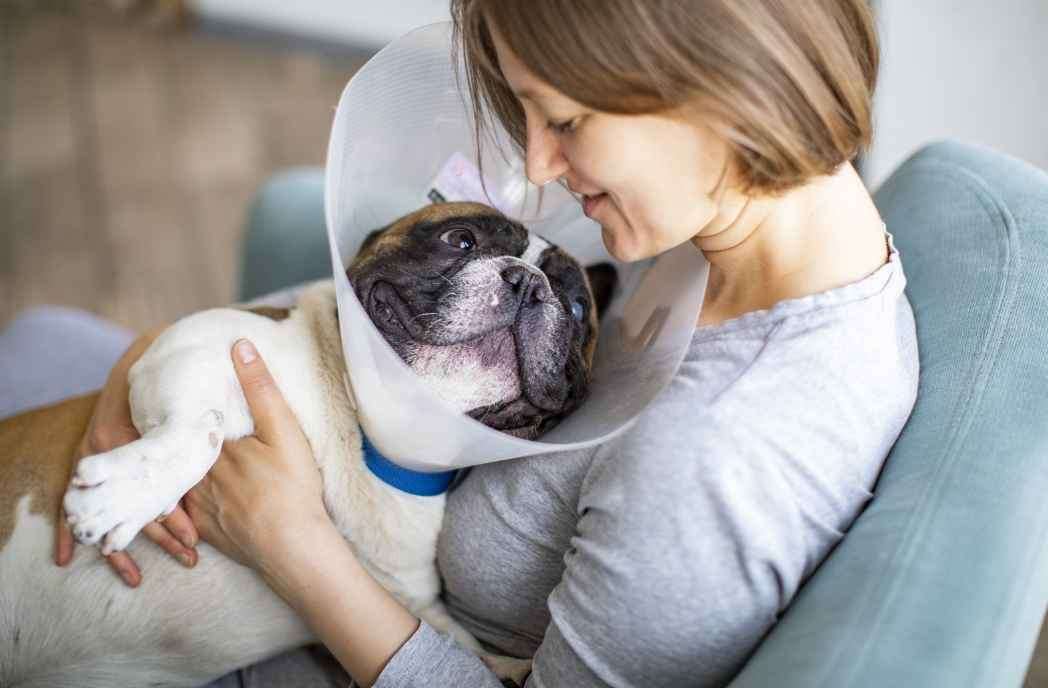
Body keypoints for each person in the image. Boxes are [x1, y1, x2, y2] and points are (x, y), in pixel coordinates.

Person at [20, 0, 919, 686]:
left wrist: (290, 545)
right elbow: (393, 287)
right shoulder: (701, 220)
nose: (538, 164)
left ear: (724, 91)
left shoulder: (717, 456)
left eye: (564, 121)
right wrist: (165, 359)